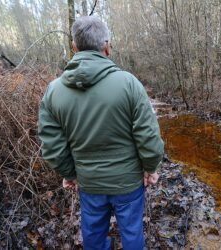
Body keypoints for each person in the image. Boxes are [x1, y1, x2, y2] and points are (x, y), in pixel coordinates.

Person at [38, 16, 164, 250]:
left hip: (89, 183)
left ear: (74, 48)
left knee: (93, 237)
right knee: (132, 233)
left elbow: (52, 145)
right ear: (107, 45)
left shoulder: (53, 92)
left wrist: (69, 173)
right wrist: (150, 167)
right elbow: (148, 135)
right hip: (128, 183)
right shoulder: (129, 83)